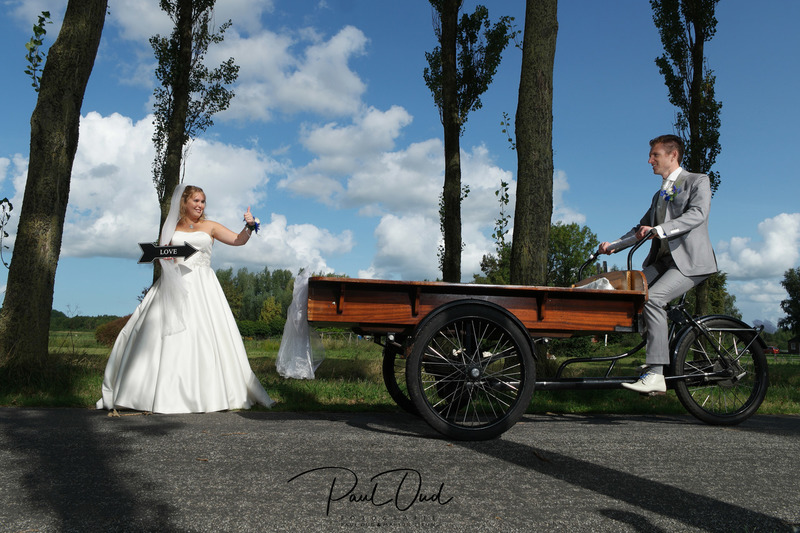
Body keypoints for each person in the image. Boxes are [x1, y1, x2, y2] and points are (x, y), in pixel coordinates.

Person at [97, 184, 275, 413]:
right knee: (162, 336)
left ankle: (211, 393)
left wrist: (249, 226)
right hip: (174, 285)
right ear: (185, 202)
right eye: (196, 201)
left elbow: (238, 240)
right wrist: (169, 266)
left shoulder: (210, 227)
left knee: (206, 336)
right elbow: (163, 254)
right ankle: (154, 392)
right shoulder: (172, 227)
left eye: (203, 202)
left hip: (204, 286)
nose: (200, 206)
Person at [598, 134, 717, 393]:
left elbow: (697, 214)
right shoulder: (660, 194)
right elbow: (640, 229)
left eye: (655, 155)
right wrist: (612, 245)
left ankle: (655, 372)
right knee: (632, 293)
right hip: (664, 262)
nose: (649, 160)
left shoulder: (697, 181)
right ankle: (659, 350)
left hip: (690, 262)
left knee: (653, 300)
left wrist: (660, 229)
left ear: (672, 155)